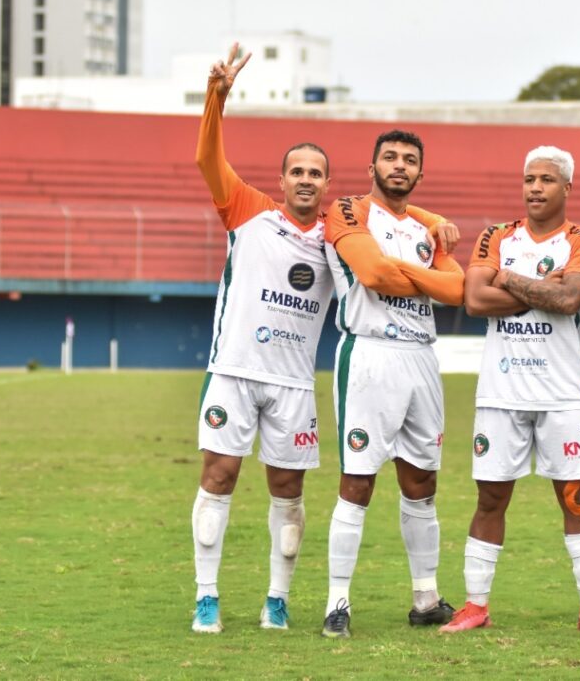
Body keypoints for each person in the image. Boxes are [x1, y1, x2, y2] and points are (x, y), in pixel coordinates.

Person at [439, 146, 580, 635]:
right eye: (529, 179)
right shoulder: (496, 235)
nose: (535, 188)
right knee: (490, 500)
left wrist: (511, 278)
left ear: (567, 188)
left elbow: (569, 298)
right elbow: (474, 299)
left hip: (562, 396)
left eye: (546, 180)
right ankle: (475, 606)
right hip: (501, 394)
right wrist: (543, 287)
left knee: (577, 499)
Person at [190, 43, 335, 633]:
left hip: (294, 383)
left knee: (288, 492)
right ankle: (206, 596)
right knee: (218, 479)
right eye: (296, 171)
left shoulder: (337, 235)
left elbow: (395, 213)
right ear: (281, 180)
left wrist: (433, 222)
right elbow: (206, 162)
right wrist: (215, 97)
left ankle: (277, 599)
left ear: (327, 183)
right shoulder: (249, 210)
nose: (305, 179)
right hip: (235, 370)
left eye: (315, 173)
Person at [320, 129, 465, 638]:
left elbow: (457, 288)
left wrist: (398, 265)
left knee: (422, 483)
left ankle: (425, 597)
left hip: (421, 359)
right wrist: (415, 271)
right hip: (370, 353)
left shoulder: (432, 229)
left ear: (420, 174)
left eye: (408, 160)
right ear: (372, 167)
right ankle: (337, 601)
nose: (398, 165)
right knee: (358, 480)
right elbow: (373, 275)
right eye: (389, 157)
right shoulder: (346, 211)